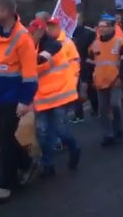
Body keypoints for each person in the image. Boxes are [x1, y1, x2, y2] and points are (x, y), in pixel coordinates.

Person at [0, 0, 40, 203]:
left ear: (7, 13)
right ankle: (26, 162)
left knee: (6, 140)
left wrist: (24, 100)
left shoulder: (23, 38)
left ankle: (6, 184)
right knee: (0, 135)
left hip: (12, 97)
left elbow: (30, 75)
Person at [27, 19, 81, 178]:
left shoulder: (54, 45)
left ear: (41, 31)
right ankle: (48, 164)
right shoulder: (33, 46)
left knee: (61, 131)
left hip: (59, 95)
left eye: (33, 31)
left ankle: (73, 147)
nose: (30, 34)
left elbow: (42, 59)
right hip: (42, 97)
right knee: (42, 133)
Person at [87, 15, 123, 146]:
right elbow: (89, 63)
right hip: (100, 82)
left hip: (115, 81)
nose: (101, 29)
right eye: (99, 27)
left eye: (104, 26)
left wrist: (122, 78)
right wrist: (88, 81)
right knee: (102, 110)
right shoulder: (94, 45)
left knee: (115, 105)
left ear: (112, 28)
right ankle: (108, 135)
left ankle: (118, 133)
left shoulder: (120, 43)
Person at [71, 18, 97, 122]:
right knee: (76, 90)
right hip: (74, 65)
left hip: (87, 64)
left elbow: (95, 48)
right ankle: (79, 114)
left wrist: (90, 59)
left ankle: (95, 108)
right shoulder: (68, 32)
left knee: (90, 88)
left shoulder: (90, 32)